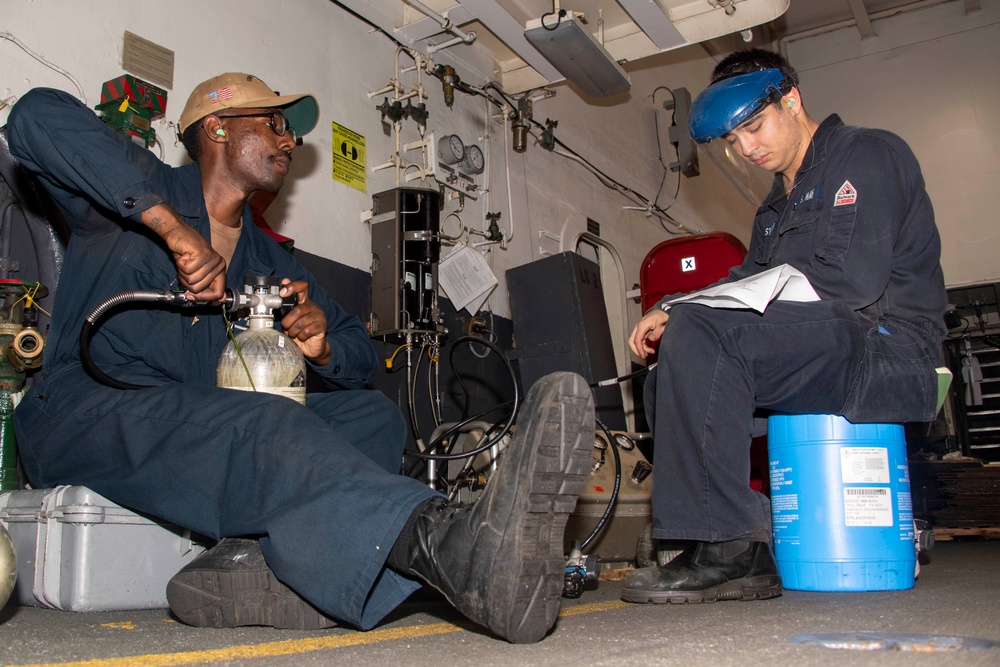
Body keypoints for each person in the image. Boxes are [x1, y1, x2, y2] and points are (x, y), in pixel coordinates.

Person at [7, 73, 594, 643]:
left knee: (372, 417)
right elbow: (34, 115)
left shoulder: (272, 260)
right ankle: (454, 549)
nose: (290, 141)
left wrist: (324, 344)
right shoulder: (130, 198)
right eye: (275, 124)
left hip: (199, 422)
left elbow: (358, 353)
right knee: (267, 423)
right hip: (84, 410)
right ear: (216, 128)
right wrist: (170, 229)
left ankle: (251, 569)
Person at [625, 49, 946, 604]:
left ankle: (729, 546)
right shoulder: (775, 209)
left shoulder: (868, 155)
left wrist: (690, 312)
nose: (746, 149)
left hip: (887, 350)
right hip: (825, 345)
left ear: (791, 100)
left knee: (703, 333)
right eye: (733, 141)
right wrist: (673, 304)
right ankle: (733, 538)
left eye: (752, 126)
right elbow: (750, 279)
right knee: (671, 368)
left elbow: (850, 285)